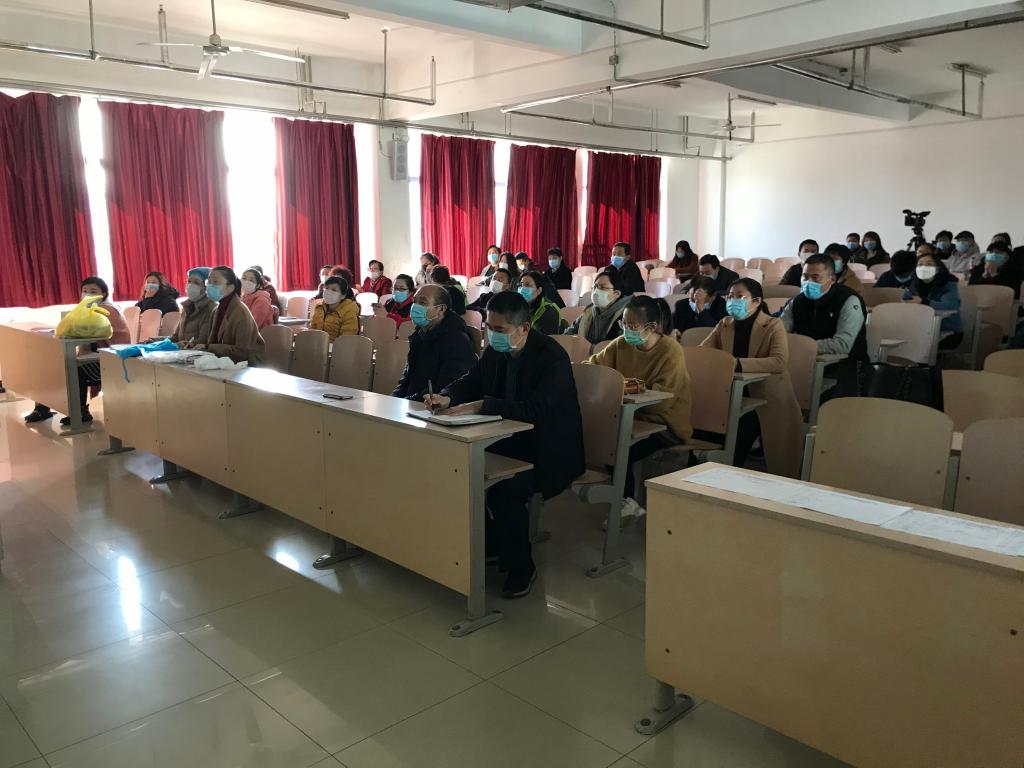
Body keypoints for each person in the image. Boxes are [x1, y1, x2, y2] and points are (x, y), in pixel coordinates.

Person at [427, 291, 585, 598]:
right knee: (460, 470)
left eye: (499, 330)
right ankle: (496, 543)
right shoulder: (498, 350)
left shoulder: (551, 357)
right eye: (488, 327)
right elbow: (472, 379)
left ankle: (521, 567)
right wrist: (447, 395)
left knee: (504, 489)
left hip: (548, 451)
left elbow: (537, 410)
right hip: (507, 441)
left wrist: (482, 405)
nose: (492, 335)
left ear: (524, 328)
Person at [588, 295, 692, 515]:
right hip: (630, 418)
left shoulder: (671, 351)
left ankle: (625, 502)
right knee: (602, 439)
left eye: (632, 325)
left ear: (651, 327)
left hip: (665, 425)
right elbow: (594, 366)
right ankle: (626, 501)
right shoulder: (621, 344)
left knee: (619, 449)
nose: (627, 330)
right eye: (624, 324)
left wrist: (620, 390)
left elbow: (661, 403)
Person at [701, 278, 803, 477]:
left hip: (766, 395)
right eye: (730, 296)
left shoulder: (773, 325)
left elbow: (779, 362)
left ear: (756, 301)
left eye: (739, 297)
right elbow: (703, 351)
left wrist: (736, 364)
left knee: (741, 435)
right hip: (731, 393)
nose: (733, 301)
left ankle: (730, 477)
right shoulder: (725, 324)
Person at [25, 276, 132, 425]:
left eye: (93, 291)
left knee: (74, 370)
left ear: (104, 294)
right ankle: (43, 408)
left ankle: (80, 412)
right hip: (96, 355)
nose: (88, 294)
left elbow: (83, 331)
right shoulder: (88, 309)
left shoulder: (106, 309)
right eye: (85, 290)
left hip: (113, 359)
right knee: (52, 365)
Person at [393, 285, 477, 401]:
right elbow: (406, 378)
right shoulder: (419, 334)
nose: (415, 306)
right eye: (414, 301)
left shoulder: (457, 341)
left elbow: (445, 388)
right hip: (412, 403)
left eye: (422, 302)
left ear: (441, 309)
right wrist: (394, 400)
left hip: (433, 406)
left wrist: (407, 401)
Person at [780, 254, 867, 361]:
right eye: (805, 277)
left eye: (815, 277)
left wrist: (804, 346)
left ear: (832, 279)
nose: (808, 282)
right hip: (805, 357)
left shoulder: (848, 300)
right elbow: (779, 333)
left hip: (846, 364)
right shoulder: (797, 301)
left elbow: (842, 344)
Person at [184, 266, 264, 363]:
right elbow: (211, 343)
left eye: (215, 282)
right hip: (223, 361)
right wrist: (197, 346)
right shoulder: (216, 310)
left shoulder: (241, 312)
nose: (210, 285)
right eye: (209, 282)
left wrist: (208, 347)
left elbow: (242, 352)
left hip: (247, 364)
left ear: (230, 287)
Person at [904, 251, 963, 349]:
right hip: (921, 330)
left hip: (948, 331)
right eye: (920, 264)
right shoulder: (914, 284)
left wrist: (924, 302)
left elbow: (951, 305)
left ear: (938, 268)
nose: (924, 267)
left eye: (929, 264)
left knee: (915, 344)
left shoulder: (948, 283)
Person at [564, 268, 628, 344]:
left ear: (616, 293)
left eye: (602, 287)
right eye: (594, 287)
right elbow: (568, 333)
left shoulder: (626, 315)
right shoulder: (589, 311)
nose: (596, 291)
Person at [171, 267, 217, 345]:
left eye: (196, 282)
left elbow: (202, 342)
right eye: (189, 281)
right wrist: (156, 342)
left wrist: (177, 346)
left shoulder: (211, 309)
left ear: (206, 287)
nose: (191, 285)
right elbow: (175, 338)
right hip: (181, 351)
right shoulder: (187, 307)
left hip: (196, 352)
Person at [309, 276, 359, 342]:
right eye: (327, 288)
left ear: (343, 295)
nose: (328, 292)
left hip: (337, 347)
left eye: (334, 290)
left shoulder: (349, 311)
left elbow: (346, 339)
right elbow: (312, 330)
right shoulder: (319, 308)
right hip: (317, 345)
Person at [517, 270, 561, 335]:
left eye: (527, 285)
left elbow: (546, 339)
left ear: (539, 290)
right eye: (521, 285)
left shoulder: (548, 311)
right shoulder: (520, 307)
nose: (522, 289)